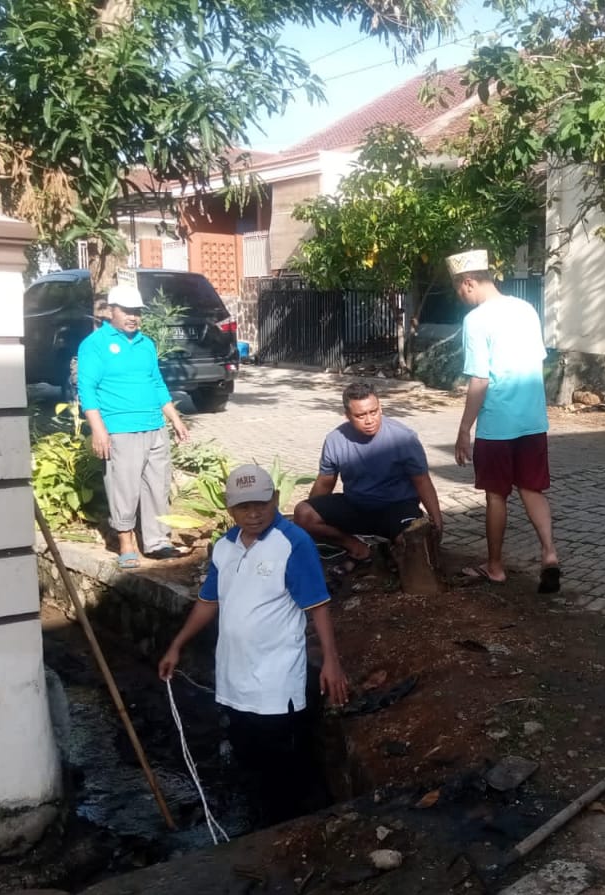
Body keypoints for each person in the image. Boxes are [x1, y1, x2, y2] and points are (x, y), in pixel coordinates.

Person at [158, 464, 349, 826]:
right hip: (235, 676)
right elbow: (208, 601)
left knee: (283, 760)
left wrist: (330, 662)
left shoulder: (293, 543)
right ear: (230, 510)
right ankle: (260, 824)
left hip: (277, 680)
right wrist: (177, 645)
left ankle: (289, 828)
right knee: (248, 754)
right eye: (244, 507)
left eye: (262, 503)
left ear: (276, 499)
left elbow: (318, 605)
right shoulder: (224, 547)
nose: (254, 513)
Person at [450, 249, 561, 593]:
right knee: (532, 487)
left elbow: (480, 380)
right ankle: (550, 554)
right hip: (532, 419)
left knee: (497, 495)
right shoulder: (526, 309)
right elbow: (537, 361)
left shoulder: (477, 320)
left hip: (497, 424)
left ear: (468, 282)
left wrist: (464, 428)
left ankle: (495, 567)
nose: (460, 297)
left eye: (459, 290)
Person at [77, 283, 190, 568]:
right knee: (123, 487)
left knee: (156, 485)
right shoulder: (95, 344)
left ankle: (157, 541)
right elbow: (87, 389)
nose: (133, 317)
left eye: (137, 312)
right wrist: (98, 429)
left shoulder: (146, 344)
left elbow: (157, 383)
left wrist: (174, 418)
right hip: (120, 428)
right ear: (110, 311)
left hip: (154, 426)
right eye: (127, 311)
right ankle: (126, 542)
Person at [293, 382, 443, 572]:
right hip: (356, 505)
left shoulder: (404, 438)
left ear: (381, 407)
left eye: (374, 412)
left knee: (413, 545)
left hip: (397, 507)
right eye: (361, 415)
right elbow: (325, 482)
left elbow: (422, 481)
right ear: (347, 415)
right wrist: (306, 527)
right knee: (303, 514)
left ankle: (391, 551)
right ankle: (359, 549)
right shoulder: (335, 440)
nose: (369, 420)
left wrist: (437, 521)